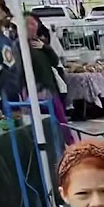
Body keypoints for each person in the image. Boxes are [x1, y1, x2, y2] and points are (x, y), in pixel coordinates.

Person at [25, 13, 75, 146]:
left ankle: (71, 146)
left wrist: (45, 48)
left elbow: (54, 61)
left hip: (50, 89)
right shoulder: (21, 46)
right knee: (43, 124)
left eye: (34, 23)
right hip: (34, 91)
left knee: (60, 119)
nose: (33, 26)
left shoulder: (41, 42)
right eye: (29, 23)